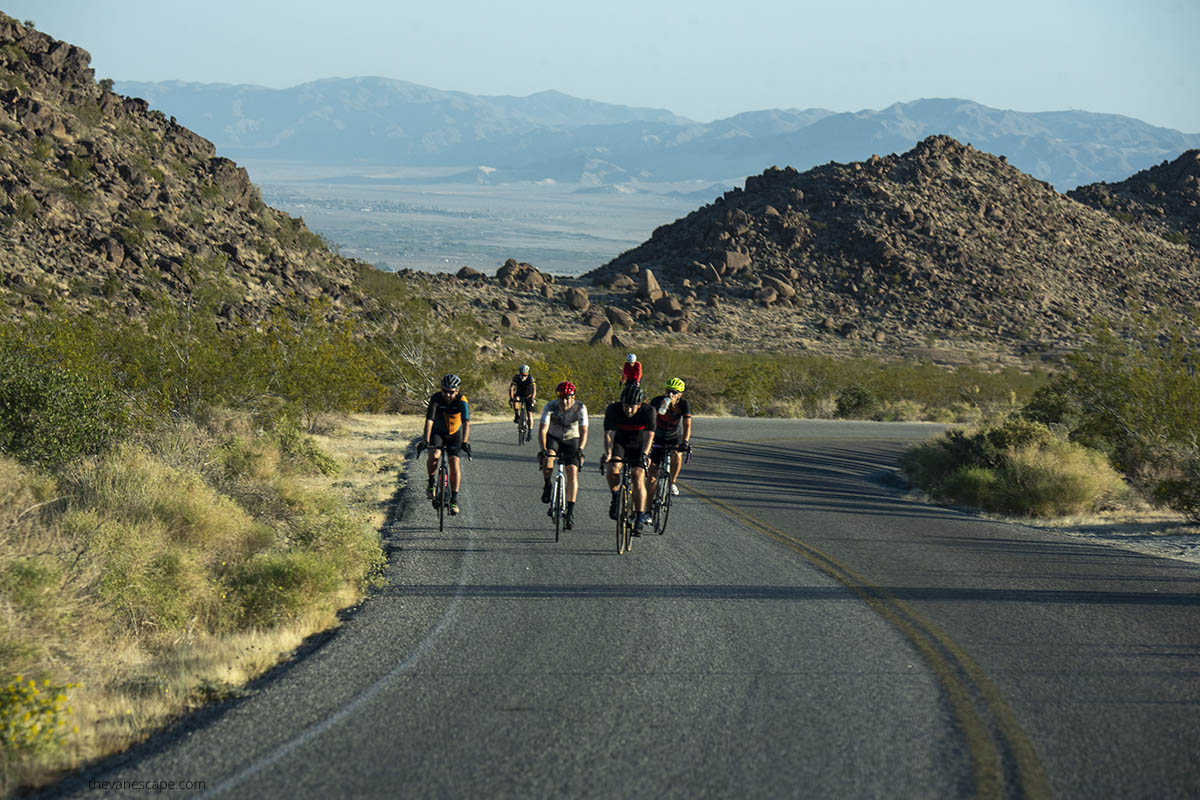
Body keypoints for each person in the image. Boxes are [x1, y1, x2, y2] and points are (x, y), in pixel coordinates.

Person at [602, 381, 656, 534]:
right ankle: (616, 496)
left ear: (640, 405)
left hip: (640, 445)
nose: (629, 410)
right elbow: (609, 434)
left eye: (632, 406)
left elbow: (649, 435)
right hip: (621, 443)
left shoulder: (648, 411)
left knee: (637, 475)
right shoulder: (613, 409)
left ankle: (639, 516)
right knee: (612, 469)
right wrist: (609, 454)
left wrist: (645, 455)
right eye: (626, 405)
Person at [538, 381, 588, 530]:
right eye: (561, 397)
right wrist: (544, 449)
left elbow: (584, 430)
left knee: (572, 472)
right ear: (557, 397)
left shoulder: (580, 408)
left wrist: (580, 449)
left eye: (568, 397)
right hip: (554, 438)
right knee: (548, 461)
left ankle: (570, 512)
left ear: (573, 397)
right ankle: (547, 484)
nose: (564, 401)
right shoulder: (550, 407)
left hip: (572, 439)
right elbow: (542, 430)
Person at [422, 373, 471, 515]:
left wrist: (465, 442)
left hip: (455, 435)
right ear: (441, 389)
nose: (448, 395)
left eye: (451, 392)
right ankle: (431, 482)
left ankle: (454, 499)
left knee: (454, 462)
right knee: (434, 454)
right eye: (445, 391)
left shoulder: (462, 400)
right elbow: (429, 420)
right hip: (438, 432)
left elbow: (466, 422)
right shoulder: (436, 398)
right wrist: (425, 440)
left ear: (457, 390)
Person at [647, 377, 692, 499]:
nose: (670, 394)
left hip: (674, 436)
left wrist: (685, 441)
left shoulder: (683, 404)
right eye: (668, 391)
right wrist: (661, 408)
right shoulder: (657, 401)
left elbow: (687, 424)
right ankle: (647, 508)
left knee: (677, 455)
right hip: (657, 436)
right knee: (652, 474)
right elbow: (649, 421)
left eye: (674, 392)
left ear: (680, 395)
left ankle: (673, 482)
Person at [509, 364, 536, 442]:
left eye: (525, 375)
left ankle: (530, 432)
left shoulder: (531, 378)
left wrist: (533, 399)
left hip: (528, 396)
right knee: (515, 399)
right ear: (519, 373)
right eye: (522, 374)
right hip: (520, 394)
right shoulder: (516, 377)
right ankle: (517, 415)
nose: (523, 376)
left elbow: (534, 390)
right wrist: (511, 398)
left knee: (530, 415)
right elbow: (511, 388)